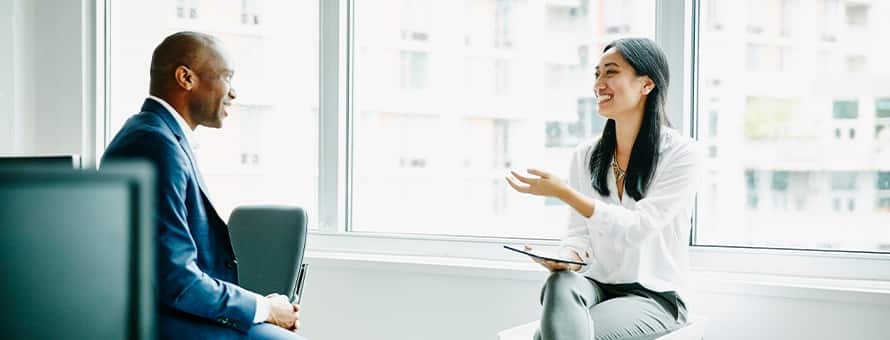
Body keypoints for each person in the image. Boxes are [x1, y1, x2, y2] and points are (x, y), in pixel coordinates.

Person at [102, 31, 307, 340]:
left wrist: (264, 308)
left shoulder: (155, 135)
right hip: (164, 323)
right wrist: (263, 309)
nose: (234, 93)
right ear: (186, 77)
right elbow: (177, 280)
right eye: (226, 77)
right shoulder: (154, 145)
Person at [506, 38, 704, 340]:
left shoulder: (681, 154)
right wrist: (566, 256)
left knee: (544, 337)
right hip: (595, 285)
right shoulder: (587, 155)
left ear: (646, 84)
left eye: (610, 72)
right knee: (560, 283)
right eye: (596, 74)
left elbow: (638, 228)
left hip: (653, 297)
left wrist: (564, 192)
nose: (599, 83)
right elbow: (579, 232)